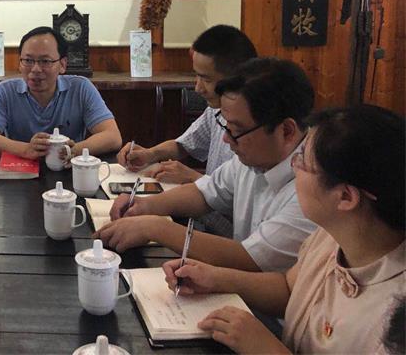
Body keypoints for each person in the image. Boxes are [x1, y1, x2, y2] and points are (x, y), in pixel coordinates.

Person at [161, 105, 405, 354]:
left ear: (345, 197)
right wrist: (215, 278)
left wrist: (268, 349)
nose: (293, 166)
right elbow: (290, 288)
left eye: (302, 161)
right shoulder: (330, 238)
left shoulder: (396, 311)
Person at [97, 58, 317, 272]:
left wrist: (155, 228)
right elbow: (205, 192)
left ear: (286, 131)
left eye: (237, 130)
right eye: (226, 126)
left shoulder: (314, 187)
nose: (226, 139)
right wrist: (144, 206)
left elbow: (250, 259)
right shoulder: (256, 157)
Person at [118, 25, 258, 185]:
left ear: (236, 78)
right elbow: (185, 144)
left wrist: (193, 177)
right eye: (197, 76)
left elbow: (241, 193)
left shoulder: (256, 127)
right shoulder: (215, 110)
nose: (198, 88)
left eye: (206, 79)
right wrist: (150, 154)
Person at [0, 26, 121, 159]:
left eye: (45, 61)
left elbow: (112, 136)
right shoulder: (5, 91)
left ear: (62, 65)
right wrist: (25, 150)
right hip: (20, 172)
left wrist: (73, 150)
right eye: (28, 60)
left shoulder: (81, 88)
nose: (35, 69)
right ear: (20, 63)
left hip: (68, 171)